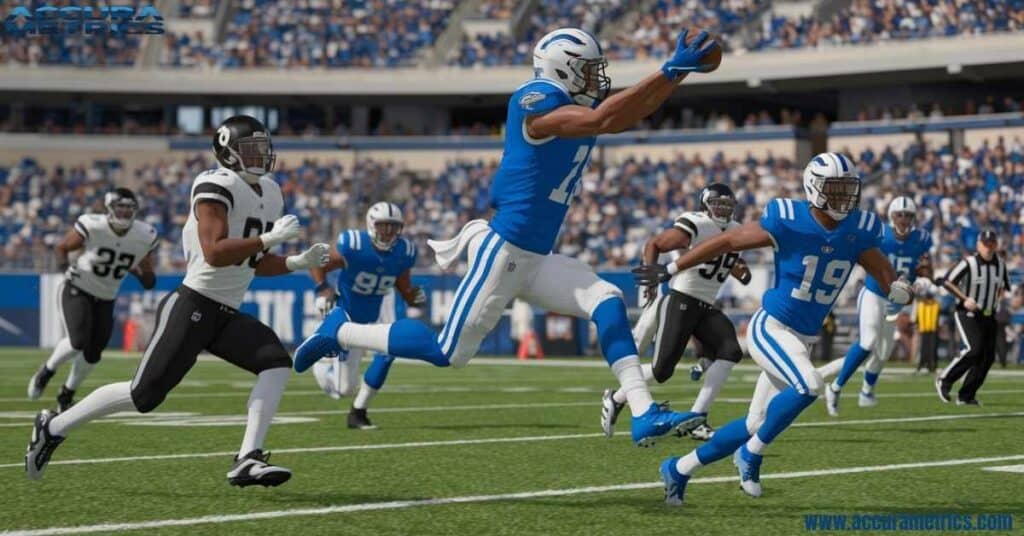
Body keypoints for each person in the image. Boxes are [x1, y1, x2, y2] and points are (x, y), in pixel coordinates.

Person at [293, 27, 721, 447]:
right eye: (588, 69)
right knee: (449, 352)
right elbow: (605, 118)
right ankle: (340, 331)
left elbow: (622, 113)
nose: (596, 78)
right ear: (562, 69)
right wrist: (668, 70)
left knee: (606, 299)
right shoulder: (534, 98)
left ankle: (644, 414)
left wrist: (677, 74)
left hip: (536, 255)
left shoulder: (575, 106)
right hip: (506, 248)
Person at [25, 115, 330, 487]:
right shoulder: (215, 184)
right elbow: (216, 252)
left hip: (226, 312)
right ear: (228, 152)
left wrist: (296, 262)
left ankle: (248, 459)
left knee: (276, 363)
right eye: (251, 149)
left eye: (264, 148)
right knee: (143, 395)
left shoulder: (271, 193)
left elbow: (252, 262)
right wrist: (269, 240)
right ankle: (53, 426)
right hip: (194, 304)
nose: (261, 156)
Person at [633, 152, 911, 504]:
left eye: (847, 189)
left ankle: (678, 468)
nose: (842, 197)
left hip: (803, 337)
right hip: (773, 327)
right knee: (809, 385)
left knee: (755, 422)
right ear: (814, 187)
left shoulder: (859, 228)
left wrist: (899, 289)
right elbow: (726, 242)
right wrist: (670, 270)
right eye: (834, 189)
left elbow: (883, 273)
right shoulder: (788, 219)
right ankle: (751, 455)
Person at [601, 183, 751, 441]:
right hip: (681, 300)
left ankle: (697, 417)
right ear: (705, 206)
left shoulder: (737, 231)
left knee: (731, 350)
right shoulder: (698, 223)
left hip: (706, 305)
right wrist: (649, 278)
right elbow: (655, 244)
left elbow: (727, 259)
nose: (723, 211)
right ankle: (616, 398)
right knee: (661, 371)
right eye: (718, 205)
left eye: (728, 206)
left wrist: (738, 268)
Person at [27, 188, 158, 412]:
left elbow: (147, 275)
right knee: (78, 340)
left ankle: (67, 392)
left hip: (107, 296)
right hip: (78, 288)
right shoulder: (93, 225)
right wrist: (64, 269)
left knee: (94, 353)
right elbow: (62, 247)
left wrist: (141, 274)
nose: (125, 212)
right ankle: (47, 371)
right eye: (120, 207)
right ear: (109, 209)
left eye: (129, 208)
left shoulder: (143, 235)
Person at [309, 202, 425, 430]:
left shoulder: (405, 252)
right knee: (344, 389)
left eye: (394, 227)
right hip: (348, 317)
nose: (389, 232)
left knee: (388, 353)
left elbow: (403, 284)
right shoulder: (354, 244)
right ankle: (321, 361)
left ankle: (359, 413)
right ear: (372, 225)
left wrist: (413, 296)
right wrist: (323, 288)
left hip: (376, 313)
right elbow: (316, 261)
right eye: (384, 226)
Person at [823, 196, 935, 416]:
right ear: (891, 216)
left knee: (883, 352)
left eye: (908, 215)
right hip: (874, 293)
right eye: (899, 215)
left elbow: (924, 269)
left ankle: (867, 390)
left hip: (896, 301)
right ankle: (835, 387)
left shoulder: (921, 239)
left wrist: (922, 281)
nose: (903, 219)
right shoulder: (879, 233)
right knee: (868, 341)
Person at [935, 229, 1013, 406]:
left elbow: (1003, 286)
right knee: (974, 349)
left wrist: (995, 300)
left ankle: (966, 395)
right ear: (978, 245)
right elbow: (946, 281)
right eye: (985, 244)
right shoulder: (969, 263)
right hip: (967, 312)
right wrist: (965, 298)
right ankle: (944, 380)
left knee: (987, 357)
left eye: (991, 244)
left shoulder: (1000, 265)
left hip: (989, 315)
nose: (988, 248)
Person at [914, 290, 941, 374]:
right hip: (924, 329)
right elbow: (918, 318)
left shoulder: (935, 304)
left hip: (933, 329)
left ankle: (932, 365)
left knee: (932, 348)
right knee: (924, 348)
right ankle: (922, 364)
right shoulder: (921, 304)